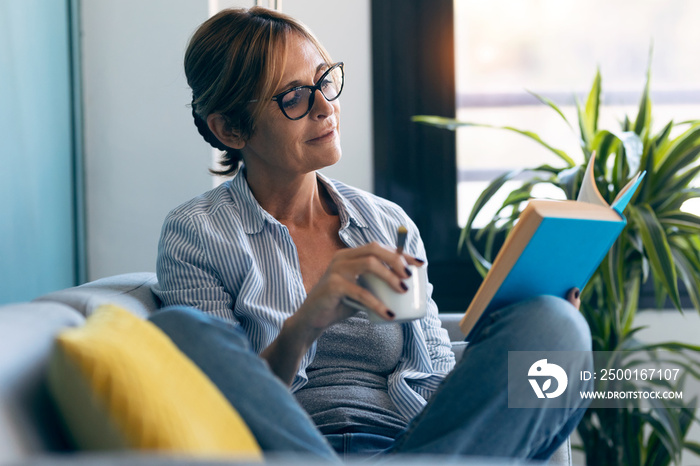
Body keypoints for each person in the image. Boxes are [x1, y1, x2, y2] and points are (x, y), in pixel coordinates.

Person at [151, 6, 593, 462]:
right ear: (230, 128)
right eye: (294, 97)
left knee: (557, 324)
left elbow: (436, 375)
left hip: (411, 445)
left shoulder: (385, 221)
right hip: (298, 451)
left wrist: (510, 341)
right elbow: (217, 409)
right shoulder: (196, 234)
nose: (326, 107)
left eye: (324, 81)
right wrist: (304, 326)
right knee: (181, 328)